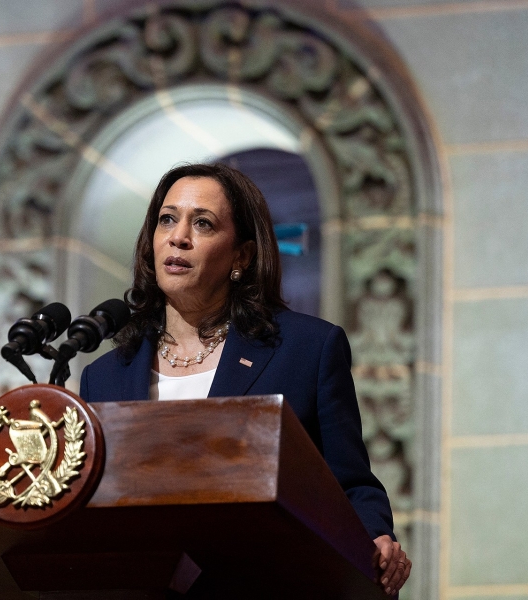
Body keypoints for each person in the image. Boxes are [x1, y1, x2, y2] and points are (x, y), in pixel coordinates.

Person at [79, 163, 411, 596]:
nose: (179, 236)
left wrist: (375, 538)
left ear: (241, 257)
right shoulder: (104, 376)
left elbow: (350, 484)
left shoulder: (305, 349)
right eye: (167, 219)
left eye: (203, 223)